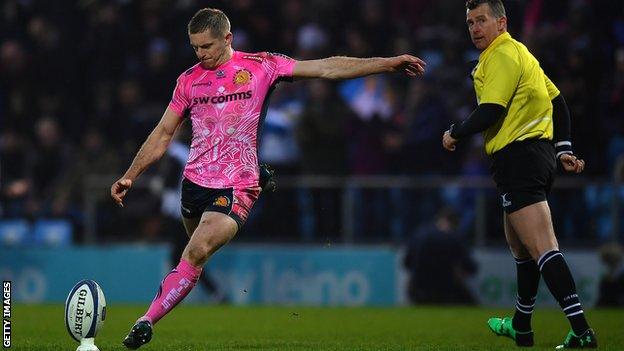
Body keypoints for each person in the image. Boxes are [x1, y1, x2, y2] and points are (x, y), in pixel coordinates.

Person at [110, 7, 425, 349]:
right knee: (192, 258)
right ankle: (187, 288)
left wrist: (386, 63)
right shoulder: (188, 80)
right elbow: (163, 133)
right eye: (195, 47)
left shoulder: (261, 65)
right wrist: (131, 175)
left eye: (207, 46)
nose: (201, 54)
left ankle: (145, 322)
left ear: (227, 39)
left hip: (238, 184)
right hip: (194, 184)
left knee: (196, 251)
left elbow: (327, 67)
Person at [442, 1, 596, 348]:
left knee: (543, 247)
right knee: (520, 246)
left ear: (501, 22)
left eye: (481, 20)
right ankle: (521, 325)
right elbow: (557, 102)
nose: (475, 28)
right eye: (469, 23)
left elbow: (491, 110)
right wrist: (564, 149)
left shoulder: (502, 56)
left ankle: (582, 331)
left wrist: (455, 132)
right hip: (533, 156)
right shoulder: (520, 53)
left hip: (520, 157)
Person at [403, 207, 477, 305]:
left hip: (418, 291)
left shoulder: (419, 234)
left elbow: (406, 263)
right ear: (455, 224)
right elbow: (470, 267)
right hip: (446, 293)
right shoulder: (455, 238)